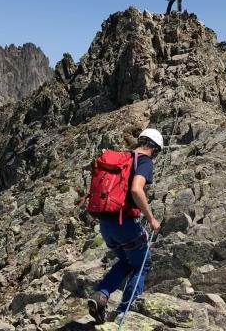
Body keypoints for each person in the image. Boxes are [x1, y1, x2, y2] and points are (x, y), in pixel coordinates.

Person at [87, 128, 163, 324]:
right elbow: (137, 189)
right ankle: (125, 314)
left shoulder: (123, 158)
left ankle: (102, 294)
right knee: (142, 264)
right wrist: (152, 218)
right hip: (125, 224)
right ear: (154, 149)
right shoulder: (144, 161)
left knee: (126, 262)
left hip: (106, 225)